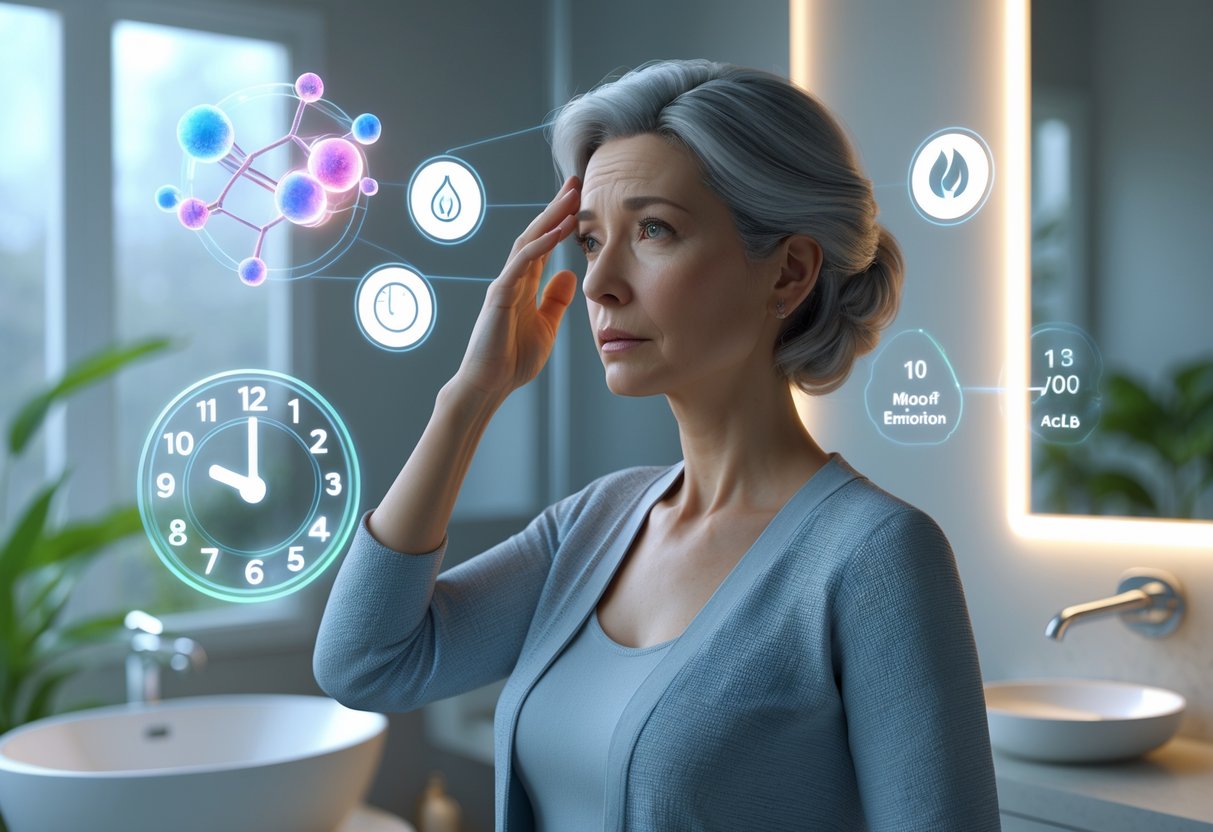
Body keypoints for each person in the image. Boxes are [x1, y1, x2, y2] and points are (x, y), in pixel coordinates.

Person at [314, 59, 1000, 831]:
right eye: (588, 240)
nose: (600, 282)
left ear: (789, 273)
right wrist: (470, 398)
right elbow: (364, 663)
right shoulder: (595, 523)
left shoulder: (873, 558)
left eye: (653, 231)